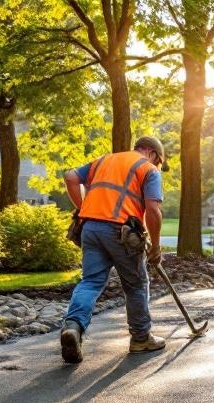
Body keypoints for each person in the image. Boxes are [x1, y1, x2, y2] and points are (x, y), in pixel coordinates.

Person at [59, 136, 169, 363]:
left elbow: (70, 177)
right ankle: (141, 338)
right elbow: (153, 210)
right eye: (159, 162)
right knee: (136, 284)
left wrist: (84, 209)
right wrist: (156, 247)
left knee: (90, 281)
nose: (158, 167)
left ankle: (73, 326)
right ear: (152, 154)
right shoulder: (148, 169)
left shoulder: (103, 161)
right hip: (121, 232)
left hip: (90, 228)